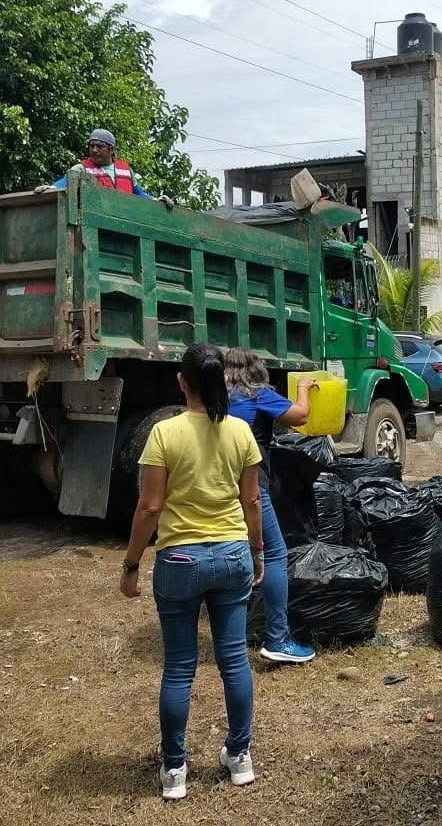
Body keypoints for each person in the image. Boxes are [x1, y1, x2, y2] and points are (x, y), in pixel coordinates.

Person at [119, 343, 263, 800]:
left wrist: (131, 564)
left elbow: (149, 506)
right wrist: (257, 551)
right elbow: (253, 502)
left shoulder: (164, 434)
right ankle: (240, 757)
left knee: (180, 667)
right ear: (220, 382)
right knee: (234, 659)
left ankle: (175, 770)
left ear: (181, 382)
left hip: (180, 561)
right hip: (232, 555)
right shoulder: (241, 431)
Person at [225, 347, 318, 665]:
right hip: (251, 487)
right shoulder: (257, 394)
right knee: (273, 555)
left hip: (217, 489)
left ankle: (232, 634)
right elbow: (300, 416)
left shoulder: (215, 399)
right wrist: (304, 389)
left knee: (234, 555)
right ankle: (277, 638)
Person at [34, 128, 174, 208]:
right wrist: (51, 188)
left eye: (99, 146)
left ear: (111, 149)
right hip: (97, 224)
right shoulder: (82, 168)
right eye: (91, 146)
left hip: (126, 224)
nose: (94, 150)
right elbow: (65, 181)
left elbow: (139, 194)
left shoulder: (126, 170)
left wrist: (157, 201)